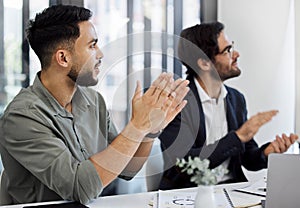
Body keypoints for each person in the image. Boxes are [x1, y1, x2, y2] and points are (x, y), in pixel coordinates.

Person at [0, 5, 190, 205]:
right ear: (63, 58)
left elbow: (127, 168)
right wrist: (137, 127)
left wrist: (149, 131)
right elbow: (79, 188)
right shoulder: (22, 117)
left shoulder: (93, 101)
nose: (100, 54)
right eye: (92, 45)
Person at [158, 22, 298, 190]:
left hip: (232, 190)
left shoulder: (236, 99)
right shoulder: (176, 103)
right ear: (204, 63)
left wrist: (267, 153)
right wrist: (238, 137)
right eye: (227, 51)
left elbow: (247, 158)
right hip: (187, 195)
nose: (236, 54)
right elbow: (185, 164)